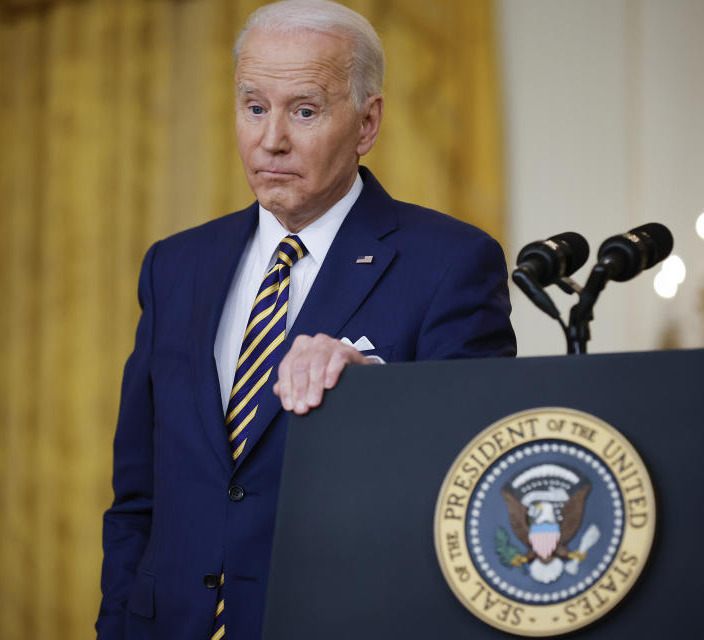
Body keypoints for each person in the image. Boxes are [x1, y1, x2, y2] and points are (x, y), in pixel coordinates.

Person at [95, 1, 516, 638]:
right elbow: (138, 500)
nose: (272, 139)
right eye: (254, 107)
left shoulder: (452, 264)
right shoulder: (173, 266)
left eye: (305, 110)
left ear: (367, 123)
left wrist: (370, 395)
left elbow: (469, 493)